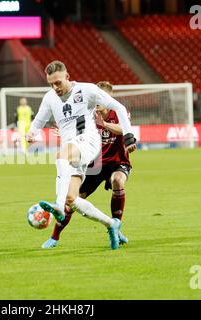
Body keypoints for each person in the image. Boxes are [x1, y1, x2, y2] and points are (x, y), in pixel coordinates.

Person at [26, 61, 136, 250]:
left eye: (58, 82)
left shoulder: (87, 90)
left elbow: (117, 107)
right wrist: (31, 132)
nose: (55, 87)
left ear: (67, 76)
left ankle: (58, 206)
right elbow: (39, 120)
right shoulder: (50, 97)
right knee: (72, 199)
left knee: (61, 155)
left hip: (88, 141)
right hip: (74, 150)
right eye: (51, 84)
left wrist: (128, 135)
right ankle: (111, 225)